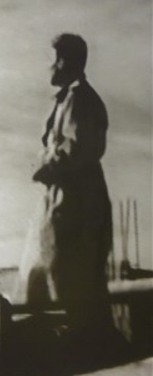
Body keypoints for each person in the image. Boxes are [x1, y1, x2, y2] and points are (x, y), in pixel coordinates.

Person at [18, 33, 113, 347]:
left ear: (69, 62)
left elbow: (77, 147)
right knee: (50, 269)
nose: (51, 66)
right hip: (63, 196)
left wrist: (47, 167)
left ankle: (77, 342)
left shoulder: (78, 98)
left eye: (56, 58)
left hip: (74, 199)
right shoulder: (68, 99)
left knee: (69, 271)